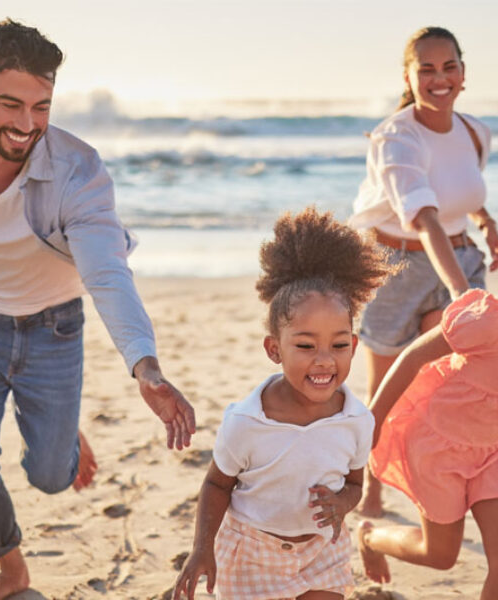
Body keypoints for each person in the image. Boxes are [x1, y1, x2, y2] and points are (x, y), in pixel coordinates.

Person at [0, 19, 196, 600]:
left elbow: (107, 272)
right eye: (10, 103)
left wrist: (146, 366)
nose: (27, 124)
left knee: (52, 478)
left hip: (54, 333)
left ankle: (63, 437)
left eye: (42, 106)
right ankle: (11, 569)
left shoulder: (77, 172)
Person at [173, 208, 397, 600]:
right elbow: (215, 483)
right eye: (306, 346)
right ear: (274, 349)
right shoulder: (247, 421)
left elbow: (356, 483)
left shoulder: (357, 419)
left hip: (323, 551)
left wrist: (341, 503)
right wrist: (202, 548)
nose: (325, 359)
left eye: (339, 345)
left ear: (354, 346)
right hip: (252, 555)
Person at [349, 26, 497, 517]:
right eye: (427, 69)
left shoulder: (476, 131)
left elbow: (464, 193)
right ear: (409, 77)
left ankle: (441, 491)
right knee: (389, 384)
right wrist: (460, 293)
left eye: (448, 67)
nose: (440, 78)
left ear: (463, 73)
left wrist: (487, 223)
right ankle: (369, 489)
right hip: (398, 266)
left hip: (461, 256)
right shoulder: (396, 137)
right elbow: (425, 216)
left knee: (447, 388)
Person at [357, 288, 498, 600]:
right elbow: (414, 356)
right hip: (437, 449)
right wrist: (373, 422)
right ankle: (370, 538)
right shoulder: (486, 320)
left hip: (492, 454)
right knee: (440, 555)